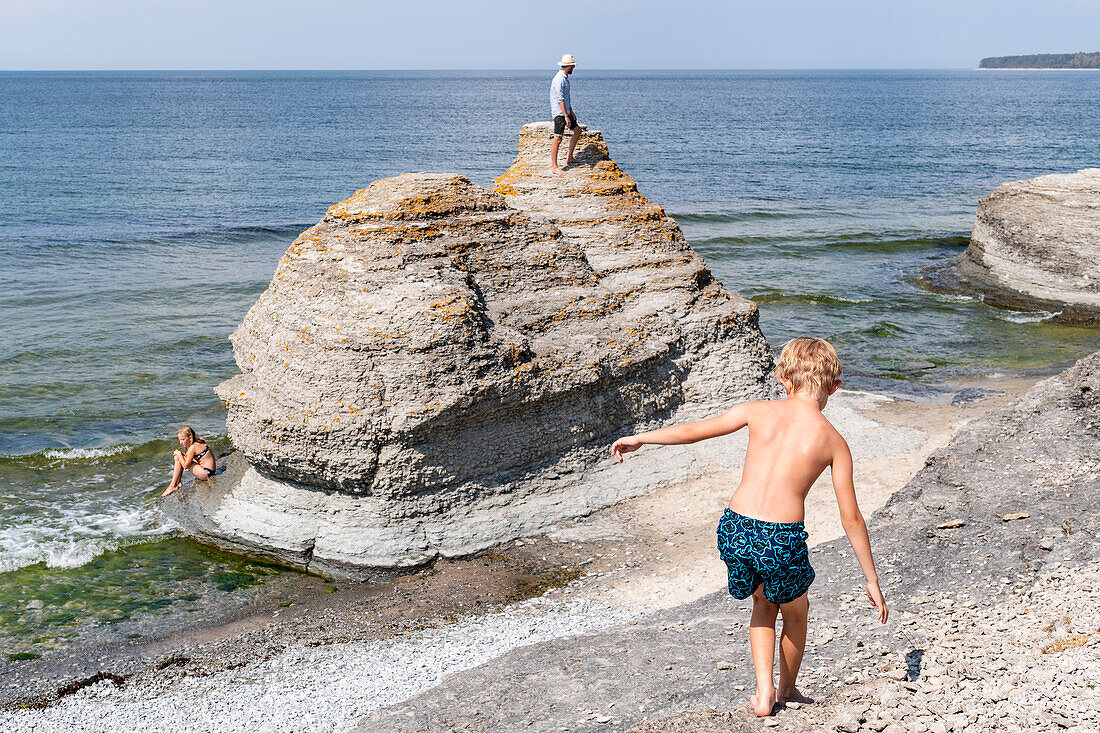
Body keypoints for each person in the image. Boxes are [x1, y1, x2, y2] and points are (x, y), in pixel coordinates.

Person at [610, 337, 888, 717]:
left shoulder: (757, 410)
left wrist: (641, 437)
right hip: (781, 538)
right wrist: (870, 578)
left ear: (783, 380)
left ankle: (762, 693)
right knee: (795, 609)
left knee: (761, 602)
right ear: (834, 388)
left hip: (736, 529)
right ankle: (787, 690)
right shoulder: (834, 442)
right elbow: (851, 516)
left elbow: (693, 431)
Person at [162, 425, 216, 496]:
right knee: (179, 456)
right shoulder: (198, 442)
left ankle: (173, 485)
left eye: (183, 439)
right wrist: (182, 455)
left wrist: (179, 454)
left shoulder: (193, 448)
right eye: (179, 440)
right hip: (210, 471)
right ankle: (177, 483)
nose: (180, 442)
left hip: (206, 473)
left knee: (178, 457)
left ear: (190, 437)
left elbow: (185, 466)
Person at [550, 54, 580, 175]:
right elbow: (560, 99)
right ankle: (554, 167)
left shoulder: (565, 78)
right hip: (559, 113)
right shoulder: (559, 79)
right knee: (558, 138)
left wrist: (571, 112)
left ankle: (570, 157)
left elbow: (566, 98)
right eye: (572, 66)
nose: (573, 68)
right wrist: (566, 116)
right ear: (568, 66)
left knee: (577, 130)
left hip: (566, 111)